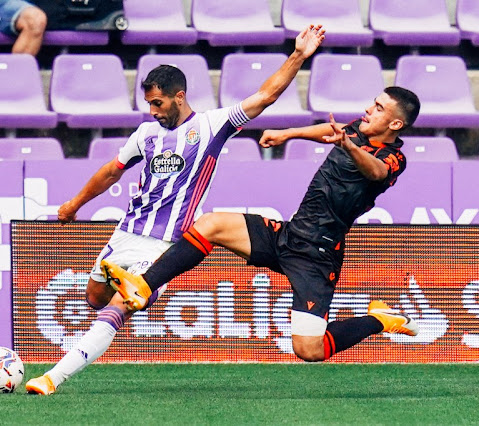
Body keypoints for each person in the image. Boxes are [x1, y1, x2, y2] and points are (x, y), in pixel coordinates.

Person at [25, 24, 326, 394]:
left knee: (118, 309)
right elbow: (110, 171)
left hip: (165, 245)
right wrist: (74, 204)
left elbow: (264, 96)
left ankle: (52, 378)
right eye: (149, 103)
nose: (152, 111)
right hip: (126, 233)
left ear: (179, 97)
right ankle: (134, 288)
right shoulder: (146, 134)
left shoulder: (212, 125)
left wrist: (298, 54)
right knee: (94, 298)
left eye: (158, 103)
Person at [102, 86, 421, 363]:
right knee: (211, 224)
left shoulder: (394, 159)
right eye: (372, 102)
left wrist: (347, 146)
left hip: (318, 256)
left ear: (395, 123)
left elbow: (376, 172)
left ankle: (380, 319)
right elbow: (330, 131)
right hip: (290, 234)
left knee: (310, 349)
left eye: (378, 108)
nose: (368, 109)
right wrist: (288, 134)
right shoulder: (356, 129)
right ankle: (143, 285)